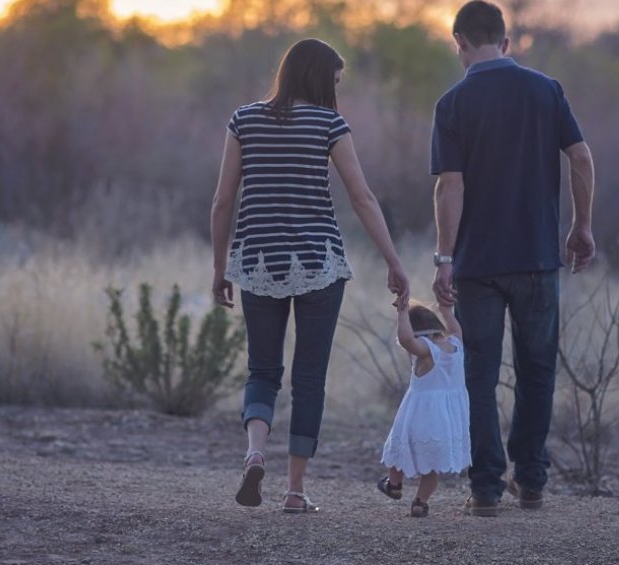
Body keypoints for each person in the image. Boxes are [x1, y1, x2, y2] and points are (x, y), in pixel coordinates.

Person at [210, 38, 409, 514]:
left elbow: (222, 201)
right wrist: (393, 261)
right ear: (320, 78)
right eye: (335, 81)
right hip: (319, 263)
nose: (336, 91)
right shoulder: (329, 124)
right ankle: (295, 491)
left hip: (257, 261)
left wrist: (220, 268)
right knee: (309, 378)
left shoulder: (244, 120)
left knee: (262, 370)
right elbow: (362, 198)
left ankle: (255, 452)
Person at [429, 1, 597, 517]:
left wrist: (443, 257)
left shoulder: (452, 103)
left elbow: (449, 186)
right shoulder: (546, 90)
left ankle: (484, 489)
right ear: (506, 42)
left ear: (459, 43)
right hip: (538, 258)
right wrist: (581, 225)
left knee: (479, 374)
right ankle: (531, 481)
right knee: (537, 370)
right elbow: (582, 157)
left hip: (478, 265)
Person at [377, 299, 471, 518]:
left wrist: (402, 314)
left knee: (399, 450)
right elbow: (456, 328)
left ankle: (394, 484)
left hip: (420, 416)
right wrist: (446, 311)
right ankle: (420, 502)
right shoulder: (456, 346)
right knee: (432, 466)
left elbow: (406, 339)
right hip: (446, 421)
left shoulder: (426, 351)